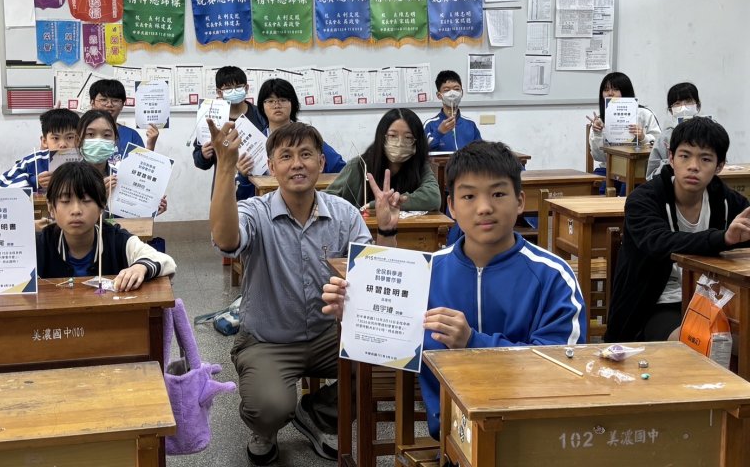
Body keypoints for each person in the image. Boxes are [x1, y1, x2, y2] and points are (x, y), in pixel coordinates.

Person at [322, 140, 586, 440]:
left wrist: (473, 342)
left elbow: (561, 367)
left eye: (498, 194)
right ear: (451, 206)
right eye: (469, 196)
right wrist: (355, 312)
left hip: (531, 434)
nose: (484, 208)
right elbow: (389, 346)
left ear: (520, 201)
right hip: (453, 438)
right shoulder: (426, 274)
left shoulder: (553, 276)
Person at [208, 119, 400, 465]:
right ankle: (265, 428)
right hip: (269, 339)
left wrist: (386, 230)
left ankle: (317, 413)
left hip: (328, 335)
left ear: (321, 162)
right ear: (272, 167)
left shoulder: (344, 214)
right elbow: (225, 239)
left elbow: (376, 280)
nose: (297, 164)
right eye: (286, 156)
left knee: (389, 360)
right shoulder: (256, 212)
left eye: (306, 154)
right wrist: (225, 167)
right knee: (269, 408)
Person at [605, 117, 750, 343]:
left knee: (736, 340)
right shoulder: (643, 200)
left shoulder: (725, 200)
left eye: (705, 159)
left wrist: (735, 237)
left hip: (716, 301)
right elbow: (660, 242)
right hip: (655, 304)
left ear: (720, 166)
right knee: (699, 341)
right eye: (685, 156)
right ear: (671, 158)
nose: (693, 166)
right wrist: (723, 238)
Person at [0, 162, 176, 291]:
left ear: (102, 207)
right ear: (51, 208)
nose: (76, 210)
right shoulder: (38, 244)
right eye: (65, 201)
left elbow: (166, 262)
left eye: (86, 201)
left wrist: (140, 267)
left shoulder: (116, 239)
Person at [232, 78, 346, 199]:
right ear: (262, 106)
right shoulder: (253, 143)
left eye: (283, 100)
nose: (277, 105)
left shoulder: (308, 138)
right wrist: (244, 176)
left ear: (293, 104)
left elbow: (342, 170)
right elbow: (242, 197)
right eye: (270, 101)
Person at [326, 108, 441, 211]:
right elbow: (328, 199)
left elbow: (433, 198)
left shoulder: (419, 165)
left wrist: (383, 203)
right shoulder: (359, 165)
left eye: (408, 137)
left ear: (417, 142)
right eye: (392, 136)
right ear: (381, 137)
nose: (399, 143)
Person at [77, 109, 168, 217]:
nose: (99, 140)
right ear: (78, 139)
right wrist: (99, 198)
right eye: (91, 134)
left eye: (106, 135)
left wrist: (150, 209)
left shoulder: (122, 176)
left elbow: (132, 214)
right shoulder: (69, 178)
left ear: (115, 140)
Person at [192, 65, 267, 192]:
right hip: (223, 186)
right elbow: (199, 161)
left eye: (238, 87)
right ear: (219, 92)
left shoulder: (261, 115)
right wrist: (204, 155)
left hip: (257, 188)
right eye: (228, 88)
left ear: (246, 88)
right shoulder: (212, 118)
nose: (234, 91)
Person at [585, 71, 661, 194]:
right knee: (600, 190)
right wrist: (597, 133)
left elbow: (659, 145)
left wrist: (643, 137)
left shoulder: (644, 114)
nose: (610, 93)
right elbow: (598, 157)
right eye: (606, 90)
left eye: (615, 89)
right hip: (608, 167)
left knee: (628, 191)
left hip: (638, 168)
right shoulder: (599, 121)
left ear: (625, 91)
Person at [0, 108, 79, 192]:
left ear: (78, 139)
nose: (63, 144)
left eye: (70, 137)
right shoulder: (33, 161)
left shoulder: (84, 160)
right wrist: (34, 181)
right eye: (55, 138)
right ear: (44, 141)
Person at [646, 82, 701, 179]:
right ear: (671, 110)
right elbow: (651, 175)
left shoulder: (709, 133)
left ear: (698, 105)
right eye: (677, 103)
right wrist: (672, 160)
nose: (683, 107)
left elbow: (720, 163)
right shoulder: (664, 137)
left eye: (688, 101)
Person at [89, 79, 158, 155]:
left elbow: (141, 161)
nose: (109, 104)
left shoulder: (131, 135)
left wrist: (151, 145)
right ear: (92, 103)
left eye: (115, 100)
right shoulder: (82, 131)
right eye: (103, 100)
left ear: (122, 105)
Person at [423, 70, 482, 151]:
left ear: (462, 93)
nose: (452, 93)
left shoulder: (470, 124)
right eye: (447, 90)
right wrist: (439, 133)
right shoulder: (430, 124)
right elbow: (422, 150)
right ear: (439, 95)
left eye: (456, 89)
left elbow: (480, 151)